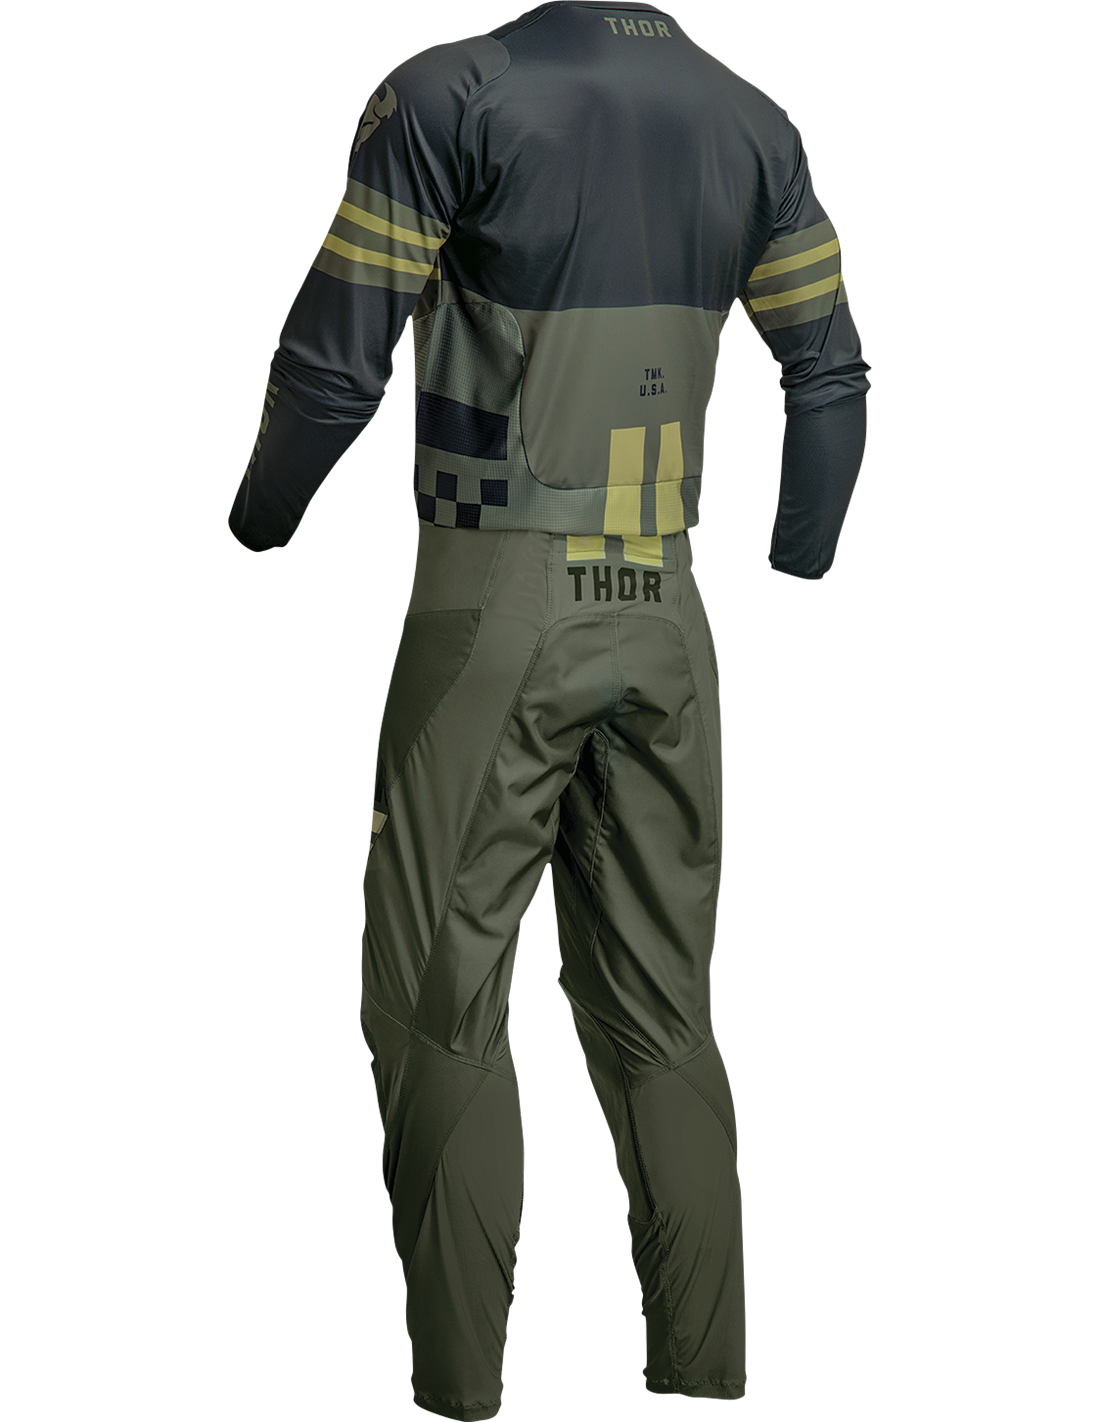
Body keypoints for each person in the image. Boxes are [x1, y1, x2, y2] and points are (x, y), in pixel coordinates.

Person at [229, 3, 869, 1416]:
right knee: (664, 1016)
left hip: (497, 591)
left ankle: (458, 1395)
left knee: (436, 1003)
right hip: (670, 603)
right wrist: (801, 554)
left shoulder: (448, 92)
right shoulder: (753, 119)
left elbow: (332, 367)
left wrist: (258, 524)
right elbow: (830, 373)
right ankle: (705, 1378)